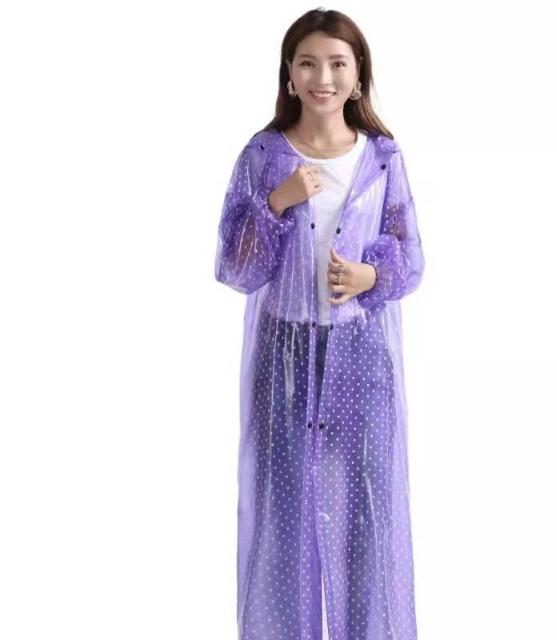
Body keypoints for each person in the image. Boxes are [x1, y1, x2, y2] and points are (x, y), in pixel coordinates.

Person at [215, 9, 425, 640]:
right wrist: (278, 200)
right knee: (283, 515)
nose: (323, 78)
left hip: (362, 354)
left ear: (358, 76)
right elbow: (235, 266)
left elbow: (410, 257)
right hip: (283, 350)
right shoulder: (263, 155)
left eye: (337, 63)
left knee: (366, 513)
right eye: (308, 63)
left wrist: (370, 276)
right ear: (289, 74)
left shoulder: (381, 157)